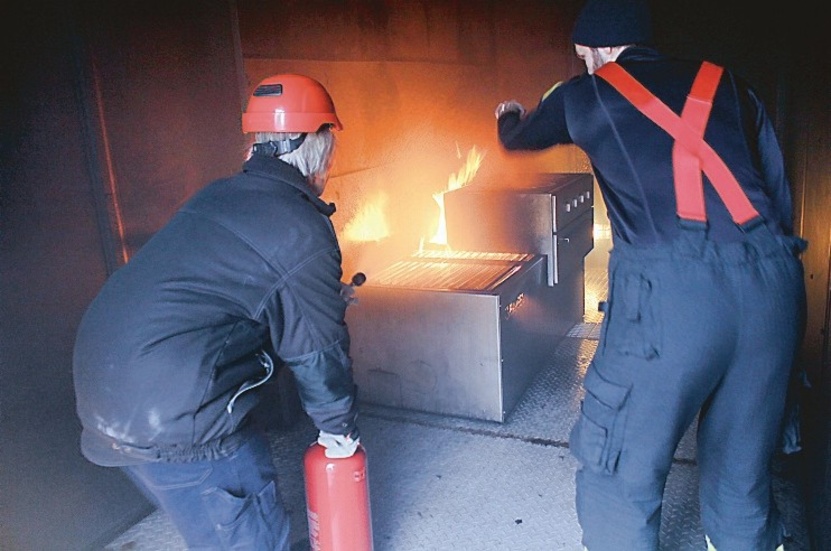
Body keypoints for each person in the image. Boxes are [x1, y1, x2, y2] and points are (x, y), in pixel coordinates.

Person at [495, 1, 806, 550]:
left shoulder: (583, 93)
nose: (586, 68)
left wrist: (509, 116)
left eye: (584, 58)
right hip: (774, 287)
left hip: (673, 298)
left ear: (600, 52)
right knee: (742, 471)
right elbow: (776, 191)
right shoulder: (727, 83)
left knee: (621, 467)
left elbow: (518, 139)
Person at [73, 73, 361, 550]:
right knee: (253, 539)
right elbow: (317, 349)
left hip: (107, 392)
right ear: (319, 146)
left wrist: (315, 300)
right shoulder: (300, 226)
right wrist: (338, 427)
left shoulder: (220, 194)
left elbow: (224, 296)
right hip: (172, 412)